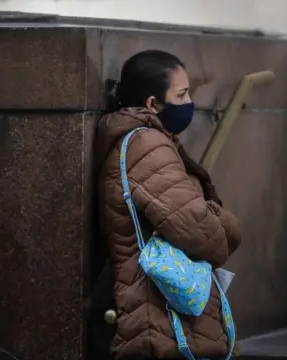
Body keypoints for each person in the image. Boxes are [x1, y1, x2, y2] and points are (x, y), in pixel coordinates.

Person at [94, 50, 242, 360]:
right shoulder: (146, 144)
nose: (189, 103)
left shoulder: (146, 140)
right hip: (157, 313)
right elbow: (202, 230)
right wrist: (225, 222)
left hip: (157, 312)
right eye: (182, 94)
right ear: (152, 104)